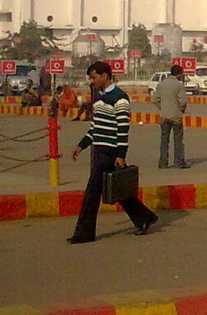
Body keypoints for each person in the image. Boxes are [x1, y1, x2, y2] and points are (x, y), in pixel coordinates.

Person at [67, 61, 157, 244]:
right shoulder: (99, 98)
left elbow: (123, 129)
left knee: (92, 193)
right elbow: (96, 126)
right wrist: (82, 144)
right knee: (117, 189)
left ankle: (84, 233)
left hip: (109, 151)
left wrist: (121, 155)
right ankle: (144, 217)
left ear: (105, 76)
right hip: (98, 149)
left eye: (94, 77)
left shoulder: (120, 98)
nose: (92, 81)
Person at [152, 64, 190, 169]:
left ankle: (163, 163)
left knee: (164, 140)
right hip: (176, 116)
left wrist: (163, 108)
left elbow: (155, 100)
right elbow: (183, 102)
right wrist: (181, 110)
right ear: (179, 74)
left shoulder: (161, 84)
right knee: (178, 140)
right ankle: (179, 162)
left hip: (164, 116)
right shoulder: (179, 85)